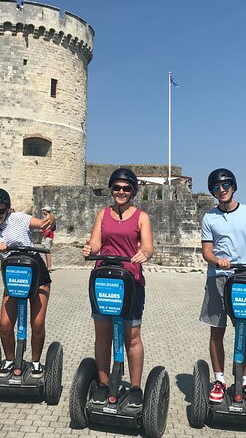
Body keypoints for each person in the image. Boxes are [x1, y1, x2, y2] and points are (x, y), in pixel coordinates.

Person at [199, 168, 246, 406]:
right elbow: (206, 251)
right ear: (213, 192)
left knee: (245, 331)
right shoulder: (209, 218)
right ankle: (220, 380)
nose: (221, 191)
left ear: (233, 187)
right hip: (218, 277)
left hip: (244, 278)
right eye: (216, 188)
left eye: (225, 186)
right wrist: (216, 260)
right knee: (217, 330)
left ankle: (245, 382)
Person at [82, 168, 154, 408]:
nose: (121, 192)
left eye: (126, 188)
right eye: (117, 187)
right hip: (104, 279)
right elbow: (95, 243)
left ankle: (135, 388)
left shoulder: (141, 217)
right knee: (102, 335)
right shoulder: (102, 214)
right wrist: (89, 249)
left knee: (131, 337)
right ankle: (103, 385)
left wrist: (144, 254)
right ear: (111, 189)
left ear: (133, 190)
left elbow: (148, 247)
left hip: (130, 280)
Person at [0, 188, 56, 378]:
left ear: (7, 208)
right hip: (13, 274)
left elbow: (42, 225)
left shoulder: (19, 219)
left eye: (1, 210)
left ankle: (36, 362)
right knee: (6, 325)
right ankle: (9, 359)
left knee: (38, 323)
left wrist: (51, 220)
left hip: (35, 270)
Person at [41, 206, 55, 271]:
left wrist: (44, 236)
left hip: (47, 236)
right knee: (47, 252)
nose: (43, 212)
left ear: (46, 211)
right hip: (49, 236)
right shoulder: (52, 216)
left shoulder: (48, 217)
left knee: (47, 252)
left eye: (43, 210)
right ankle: (48, 266)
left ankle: (48, 267)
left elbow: (49, 229)